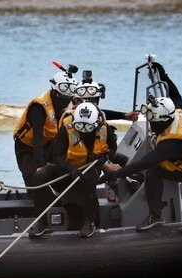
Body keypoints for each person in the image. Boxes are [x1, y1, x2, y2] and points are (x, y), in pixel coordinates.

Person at [101, 95, 182, 230]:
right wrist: (163, 80)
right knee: (154, 172)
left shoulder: (172, 144)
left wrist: (114, 174)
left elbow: (144, 163)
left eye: (152, 120)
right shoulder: (175, 112)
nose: (150, 124)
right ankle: (155, 216)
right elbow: (176, 95)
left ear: (162, 120)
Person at [29, 101, 120, 239]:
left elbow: (113, 147)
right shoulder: (67, 127)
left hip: (89, 166)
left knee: (89, 180)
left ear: (96, 123)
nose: (83, 130)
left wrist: (104, 158)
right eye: (79, 126)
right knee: (38, 177)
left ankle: (90, 222)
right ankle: (42, 222)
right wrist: (70, 170)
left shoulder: (104, 128)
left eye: (87, 126)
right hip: (66, 167)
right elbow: (57, 155)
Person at [13, 63, 78, 187]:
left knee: (63, 174)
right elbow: (36, 140)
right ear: (54, 90)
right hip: (27, 147)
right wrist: (40, 166)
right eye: (62, 95)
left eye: (68, 97)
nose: (65, 100)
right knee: (36, 182)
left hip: (49, 145)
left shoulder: (71, 103)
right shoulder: (39, 108)